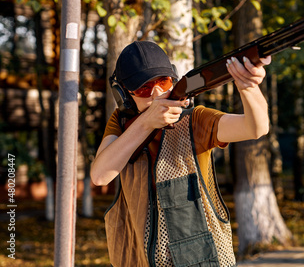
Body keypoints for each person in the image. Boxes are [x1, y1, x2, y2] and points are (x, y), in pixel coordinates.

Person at [91, 40, 270, 267]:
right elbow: (100, 175)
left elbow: (256, 128)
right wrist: (146, 122)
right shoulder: (121, 123)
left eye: (162, 82)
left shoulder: (194, 119)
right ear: (124, 95)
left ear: (174, 81)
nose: (156, 94)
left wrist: (248, 87)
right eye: (143, 89)